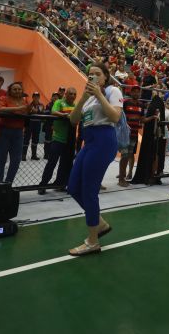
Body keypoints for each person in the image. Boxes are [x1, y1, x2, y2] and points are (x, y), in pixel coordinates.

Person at [66, 63, 123, 256]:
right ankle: (100, 223)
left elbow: (115, 117)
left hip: (103, 141)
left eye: (97, 74)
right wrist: (83, 98)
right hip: (88, 142)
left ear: (105, 77)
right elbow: (73, 120)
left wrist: (99, 94)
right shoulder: (87, 98)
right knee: (73, 187)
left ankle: (92, 241)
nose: (93, 77)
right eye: (90, 74)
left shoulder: (112, 91)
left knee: (89, 190)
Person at [39, 87, 77, 194]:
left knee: (65, 164)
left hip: (70, 140)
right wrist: (64, 115)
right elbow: (53, 111)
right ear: (66, 94)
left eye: (74, 94)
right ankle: (43, 185)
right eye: (70, 94)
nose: (73, 96)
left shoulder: (76, 105)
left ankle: (60, 184)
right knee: (52, 162)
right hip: (58, 138)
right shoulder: (59, 102)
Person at [0, 81, 29, 184]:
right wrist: (18, 108)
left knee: (16, 160)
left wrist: (31, 109)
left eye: (19, 89)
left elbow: (28, 110)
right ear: (10, 90)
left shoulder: (25, 101)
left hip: (18, 133)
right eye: (15, 89)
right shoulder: (4, 99)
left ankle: (8, 184)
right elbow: (0, 109)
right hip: (2, 132)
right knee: (1, 158)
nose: (17, 91)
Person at [130, 90, 165, 185]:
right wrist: (153, 117)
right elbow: (144, 120)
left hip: (153, 135)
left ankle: (152, 175)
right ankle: (130, 174)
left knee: (154, 155)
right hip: (148, 134)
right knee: (129, 154)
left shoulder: (151, 106)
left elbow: (145, 120)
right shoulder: (154, 106)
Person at [117, 84, 143, 186]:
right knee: (124, 155)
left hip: (134, 134)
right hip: (125, 134)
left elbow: (142, 119)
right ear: (131, 93)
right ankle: (121, 178)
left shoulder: (141, 104)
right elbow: (119, 112)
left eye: (138, 91)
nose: (136, 93)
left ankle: (126, 173)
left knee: (129, 155)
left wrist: (153, 117)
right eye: (134, 91)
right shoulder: (125, 102)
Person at [22, 91, 45, 161]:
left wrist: (33, 110)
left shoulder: (41, 105)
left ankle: (34, 155)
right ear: (32, 97)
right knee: (26, 139)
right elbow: (28, 111)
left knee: (35, 139)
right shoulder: (29, 104)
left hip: (37, 124)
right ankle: (23, 155)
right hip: (29, 123)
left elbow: (40, 112)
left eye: (37, 96)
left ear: (39, 97)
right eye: (34, 96)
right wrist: (33, 110)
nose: (36, 97)